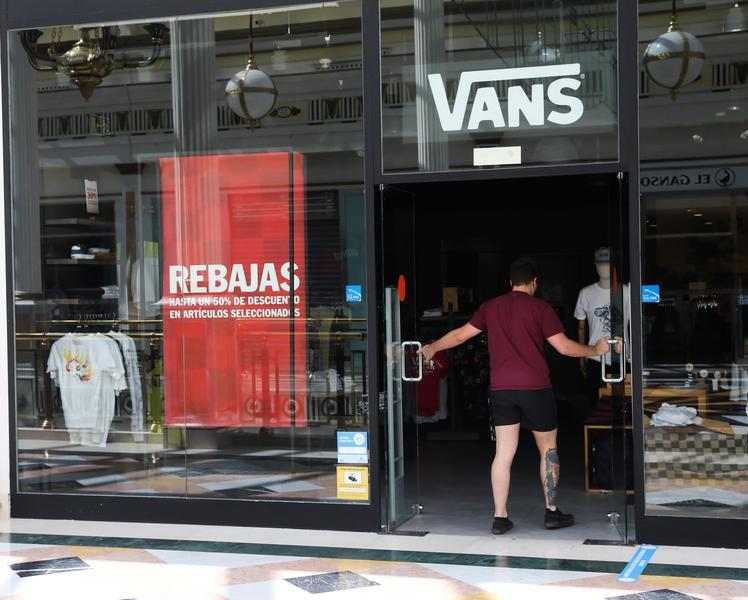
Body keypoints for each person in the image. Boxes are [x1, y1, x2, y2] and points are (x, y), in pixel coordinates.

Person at [418, 258, 612, 535]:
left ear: (510, 283)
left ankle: (500, 517)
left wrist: (432, 348)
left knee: (503, 453)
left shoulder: (491, 307)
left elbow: (460, 336)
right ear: (535, 283)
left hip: (502, 390)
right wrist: (596, 350)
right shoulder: (540, 308)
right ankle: (552, 512)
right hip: (536, 389)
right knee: (548, 449)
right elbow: (564, 348)